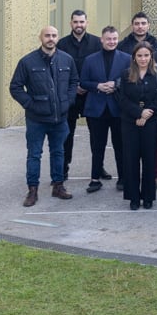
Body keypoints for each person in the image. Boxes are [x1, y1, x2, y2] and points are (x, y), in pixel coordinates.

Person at [9, 26, 78, 206]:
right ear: (41, 37)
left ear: (57, 38)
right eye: (47, 35)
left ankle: (58, 186)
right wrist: (31, 104)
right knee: (34, 155)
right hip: (36, 120)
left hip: (59, 118)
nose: (51, 38)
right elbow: (15, 87)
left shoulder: (67, 59)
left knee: (58, 152)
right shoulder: (27, 61)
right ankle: (32, 190)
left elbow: (73, 82)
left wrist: (67, 101)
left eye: (54, 35)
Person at [113, 42, 157, 210]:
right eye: (140, 55)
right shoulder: (126, 74)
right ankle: (133, 197)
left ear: (151, 57)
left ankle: (148, 196)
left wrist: (147, 113)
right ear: (134, 57)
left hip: (150, 122)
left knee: (149, 159)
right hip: (130, 122)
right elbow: (122, 99)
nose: (143, 59)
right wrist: (137, 113)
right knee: (131, 160)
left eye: (146, 55)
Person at [80, 26, 128, 194]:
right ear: (102, 39)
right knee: (97, 146)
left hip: (118, 110)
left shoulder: (126, 58)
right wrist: (98, 86)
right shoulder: (90, 60)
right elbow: (83, 81)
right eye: (108, 39)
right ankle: (95, 179)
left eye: (114, 39)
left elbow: (130, 78)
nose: (112, 42)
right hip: (96, 109)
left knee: (120, 145)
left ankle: (123, 178)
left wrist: (116, 84)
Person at [57, 10, 100, 184]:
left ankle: (99, 167)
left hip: (92, 97)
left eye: (82, 22)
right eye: (75, 22)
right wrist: (73, 88)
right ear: (70, 23)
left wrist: (88, 86)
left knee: (96, 136)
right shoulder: (61, 44)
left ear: (87, 23)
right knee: (66, 135)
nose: (79, 25)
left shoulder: (97, 43)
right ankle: (63, 169)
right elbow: (58, 71)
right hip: (70, 97)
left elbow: (100, 68)